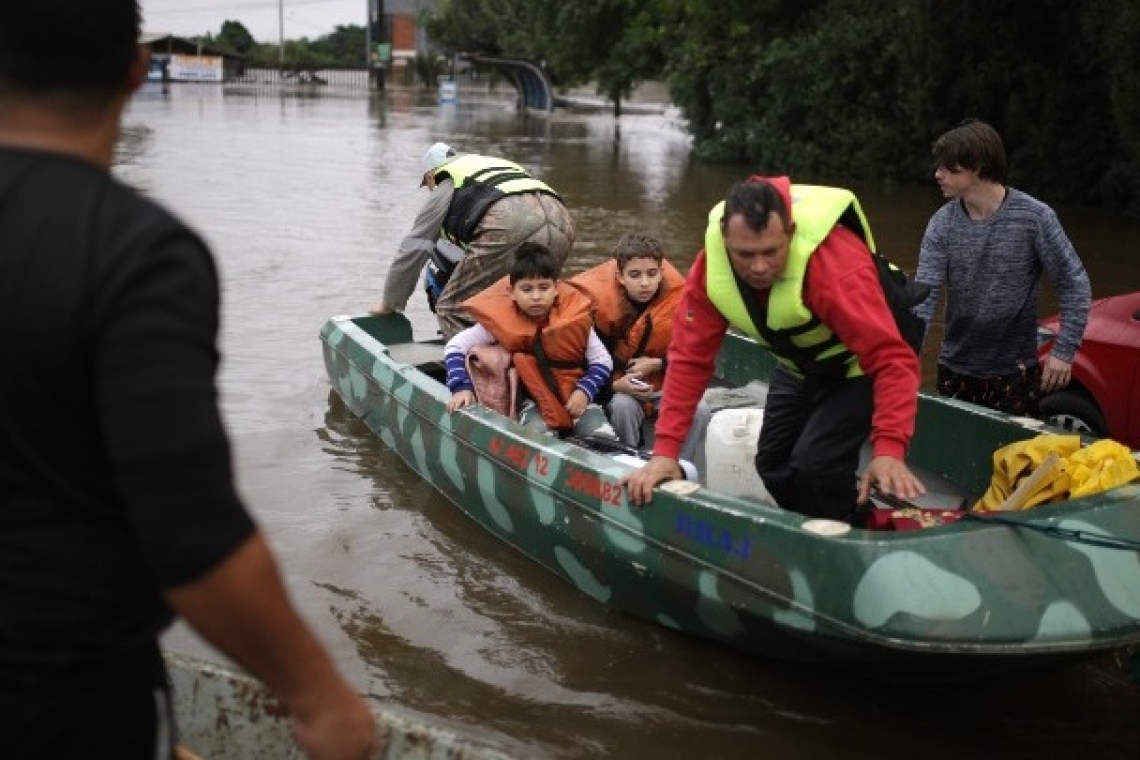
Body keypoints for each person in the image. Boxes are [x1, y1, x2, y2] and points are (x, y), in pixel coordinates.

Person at [0, 3, 376, 758]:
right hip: (62, 700)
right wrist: (317, 697)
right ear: (138, 70)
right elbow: (189, 531)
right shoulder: (134, 253)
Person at [623, 177, 926, 524]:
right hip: (801, 361)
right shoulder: (710, 271)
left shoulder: (835, 269)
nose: (759, 267)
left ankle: (856, 534)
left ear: (791, 232)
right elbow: (689, 360)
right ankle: (813, 528)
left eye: (771, 252)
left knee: (816, 464)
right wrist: (665, 453)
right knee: (773, 464)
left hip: (863, 364)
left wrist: (889, 449)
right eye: (745, 255)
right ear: (725, 240)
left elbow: (892, 360)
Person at [914, 119, 1092, 416]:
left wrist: (1064, 351)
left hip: (1014, 372)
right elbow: (923, 296)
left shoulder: (1035, 218)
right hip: (954, 367)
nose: (937, 174)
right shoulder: (941, 224)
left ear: (978, 168)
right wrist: (906, 355)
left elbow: (1075, 284)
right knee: (954, 460)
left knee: (1012, 461)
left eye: (948, 167)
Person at [372, 141, 576, 340]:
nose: (429, 189)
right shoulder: (486, 166)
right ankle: (545, 361)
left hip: (510, 219)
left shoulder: (447, 180)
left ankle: (474, 370)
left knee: (452, 307)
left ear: (431, 174)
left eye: (427, 184)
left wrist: (390, 303)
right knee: (537, 297)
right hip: (560, 217)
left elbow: (415, 247)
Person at [444, 242, 616, 439]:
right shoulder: (497, 323)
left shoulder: (576, 319)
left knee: (604, 438)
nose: (536, 297)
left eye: (544, 288)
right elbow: (455, 346)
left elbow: (602, 361)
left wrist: (585, 391)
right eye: (527, 289)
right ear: (512, 293)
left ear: (556, 289)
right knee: (542, 438)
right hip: (530, 401)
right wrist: (461, 387)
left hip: (574, 397)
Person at [571, 233, 711, 463]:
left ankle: (676, 465)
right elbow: (581, 364)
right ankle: (630, 463)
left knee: (700, 409)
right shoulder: (599, 310)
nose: (644, 283)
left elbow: (696, 354)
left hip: (661, 383)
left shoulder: (681, 303)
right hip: (617, 386)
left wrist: (658, 363)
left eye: (651, 274)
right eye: (635, 275)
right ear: (621, 277)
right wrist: (615, 385)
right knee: (623, 406)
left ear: (661, 274)